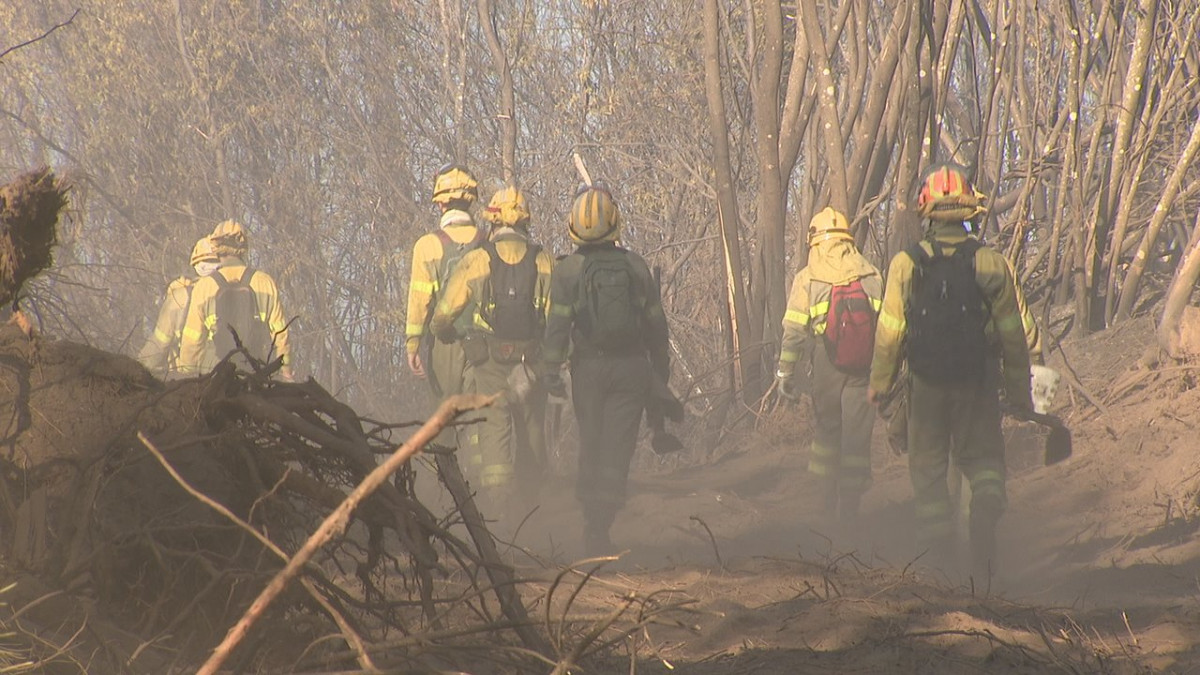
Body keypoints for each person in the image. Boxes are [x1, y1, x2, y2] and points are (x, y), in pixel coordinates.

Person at [868, 164, 1033, 579]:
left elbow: (890, 332)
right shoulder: (991, 263)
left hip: (925, 386)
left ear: (925, 209)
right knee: (985, 462)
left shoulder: (906, 265)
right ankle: (984, 516)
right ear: (967, 207)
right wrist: (1018, 391)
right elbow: (1014, 336)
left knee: (927, 470)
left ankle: (940, 558)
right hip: (976, 383)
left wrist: (879, 383)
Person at [541, 184, 671, 556]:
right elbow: (656, 329)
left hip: (589, 371)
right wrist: (659, 377)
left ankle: (590, 523)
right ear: (615, 223)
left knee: (593, 441)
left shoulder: (567, 271)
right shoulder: (635, 266)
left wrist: (551, 370)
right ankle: (603, 524)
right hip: (631, 370)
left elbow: (557, 328)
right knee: (618, 448)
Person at [431, 186, 554, 515]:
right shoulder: (543, 260)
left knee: (494, 428)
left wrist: (443, 334)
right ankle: (535, 505)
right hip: (532, 362)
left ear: (492, 219)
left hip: (489, 363)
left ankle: (499, 510)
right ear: (525, 220)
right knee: (532, 429)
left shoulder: (478, 259)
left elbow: (443, 316)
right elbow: (558, 318)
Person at [774, 207, 883, 521]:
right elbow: (887, 325)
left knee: (827, 431)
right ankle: (851, 509)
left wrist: (786, 373)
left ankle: (824, 504)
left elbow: (794, 330)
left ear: (814, 239)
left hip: (826, 360)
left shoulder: (808, 277)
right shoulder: (871, 273)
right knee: (857, 434)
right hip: (864, 364)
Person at [405, 164, 487, 454]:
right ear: (471, 199)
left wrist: (412, 344)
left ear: (440, 202)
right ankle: (483, 485)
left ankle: (446, 485)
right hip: (484, 345)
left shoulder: (427, 246)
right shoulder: (488, 242)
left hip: (444, 345)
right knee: (480, 419)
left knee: (444, 418)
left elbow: (419, 303)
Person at [178, 220, 293, 379]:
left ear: (215, 247)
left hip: (215, 375)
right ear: (243, 247)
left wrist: (187, 375)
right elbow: (281, 336)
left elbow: (192, 341)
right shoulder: (265, 282)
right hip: (256, 371)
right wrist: (285, 371)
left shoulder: (204, 287)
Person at [138, 236, 221, 378]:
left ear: (196, 264)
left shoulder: (180, 297)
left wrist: (134, 371)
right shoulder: (243, 295)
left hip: (189, 382)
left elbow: (155, 349)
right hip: (232, 380)